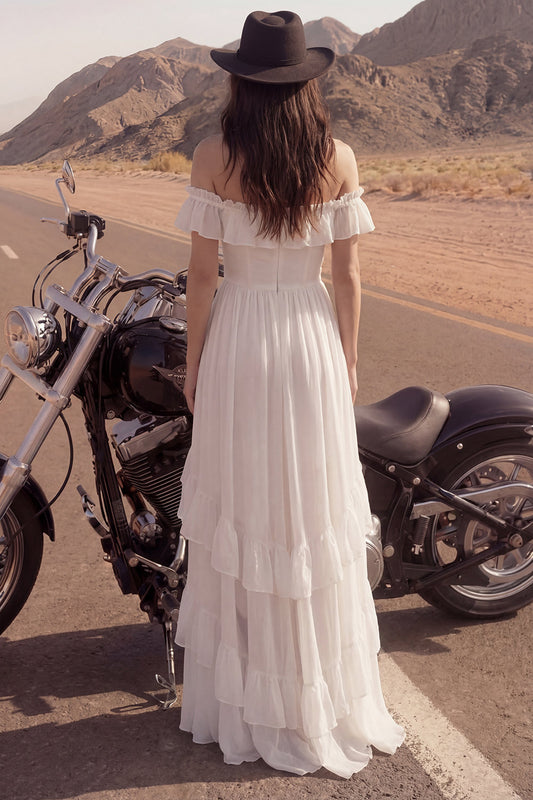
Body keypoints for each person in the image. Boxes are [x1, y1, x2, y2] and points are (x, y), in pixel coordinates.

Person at [174, 10, 405, 777]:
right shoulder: (337, 156)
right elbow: (347, 277)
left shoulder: (213, 154)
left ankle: (245, 695)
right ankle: (316, 693)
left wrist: (193, 363)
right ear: (307, 83)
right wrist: (345, 360)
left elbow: (203, 278)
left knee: (246, 502)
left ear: (240, 82)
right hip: (307, 339)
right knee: (306, 507)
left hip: (241, 338)